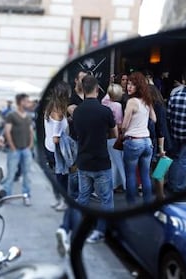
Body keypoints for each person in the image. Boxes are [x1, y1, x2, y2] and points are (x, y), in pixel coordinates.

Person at [73, 75, 117, 244]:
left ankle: (78, 227)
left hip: (83, 161)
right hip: (101, 162)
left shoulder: (77, 111)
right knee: (106, 199)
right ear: (98, 90)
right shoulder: (105, 111)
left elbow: (77, 133)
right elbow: (114, 134)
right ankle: (100, 231)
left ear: (83, 90)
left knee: (83, 197)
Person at [122, 72, 156, 204]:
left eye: (132, 84)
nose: (129, 87)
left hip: (133, 141)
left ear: (138, 86)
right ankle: (147, 204)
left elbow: (124, 125)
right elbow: (154, 118)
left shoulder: (131, 102)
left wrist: (123, 132)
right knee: (145, 175)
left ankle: (131, 205)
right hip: (147, 141)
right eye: (128, 84)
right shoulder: (146, 101)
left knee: (130, 175)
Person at [3, 93, 34, 206]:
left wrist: (30, 144)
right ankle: (7, 195)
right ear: (21, 102)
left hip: (26, 149)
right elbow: (7, 131)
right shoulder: (12, 115)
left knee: (27, 174)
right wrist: (12, 146)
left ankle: (26, 195)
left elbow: (31, 131)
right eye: (26, 101)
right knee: (11, 174)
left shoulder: (28, 116)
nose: (28, 103)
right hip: (15, 150)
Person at [44, 82, 70, 212]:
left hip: (48, 147)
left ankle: (59, 200)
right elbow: (56, 137)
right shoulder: (59, 110)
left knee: (57, 176)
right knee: (61, 177)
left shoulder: (50, 106)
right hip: (57, 150)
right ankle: (63, 201)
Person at [102, 83, 126, 192]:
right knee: (119, 162)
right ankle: (123, 184)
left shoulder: (104, 102)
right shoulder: (118, 106)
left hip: (105, 136)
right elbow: (120, 123)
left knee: (112, 162)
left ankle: (113, 184)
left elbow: (108, 94)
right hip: (115, 136)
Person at [149, 85, 171, 200]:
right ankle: (159, 194)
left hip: (161, 141)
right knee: (157, 170)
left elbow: (161, 128)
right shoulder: (159, 105)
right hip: (159, 140)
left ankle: (161, 195)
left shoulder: (158, 107)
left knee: (159, 170)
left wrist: (161, 148)